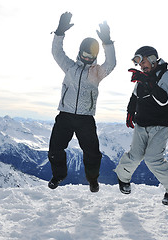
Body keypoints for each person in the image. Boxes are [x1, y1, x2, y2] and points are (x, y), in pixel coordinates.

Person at [48, 12, 116, 192]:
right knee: (55, 148)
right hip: (65, 115)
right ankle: (58, 175)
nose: (87, 58)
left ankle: (92, 180)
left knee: (92, 153)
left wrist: (107, 42)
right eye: (85, 54)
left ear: (95, 57)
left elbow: (111, 63)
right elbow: (57, 52)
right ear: (79, 53)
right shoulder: (69, 67)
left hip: (86, 119)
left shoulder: (97, 73)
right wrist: (59, 32)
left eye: (91, 56)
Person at [114, 46, 168, 205]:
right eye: (138, 63)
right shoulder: (143, 77)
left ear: (153, 59)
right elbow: (134, 96)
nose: (141, 65)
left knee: (153, 159)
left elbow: (163, 99)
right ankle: (123, 177)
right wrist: (130, 112)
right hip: (142, 123)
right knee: (135, 155)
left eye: (142, 60)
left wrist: (145, 79)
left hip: (161, 124)